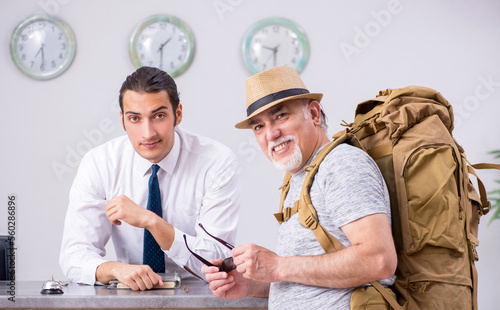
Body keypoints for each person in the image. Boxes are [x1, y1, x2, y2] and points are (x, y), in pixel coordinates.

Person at [202, 65, 397, 309]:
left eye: (280, 116)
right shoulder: (300, 176)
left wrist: (278, 266)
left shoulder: (342, 164)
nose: (271, 134)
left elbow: (379, 260)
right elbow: (309, 278)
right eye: (258, 126)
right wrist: (255, 284)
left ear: (314, 114)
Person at [60, 66, 241, 290]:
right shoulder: (99, 164)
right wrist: (115, 269)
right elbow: (74, 255)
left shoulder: (216, 162)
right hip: (127, 294)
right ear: (122, 120)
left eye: (159, 116)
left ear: (178, 114)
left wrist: (152, 222)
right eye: (135, 118)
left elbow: (217, 263)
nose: (148, 133)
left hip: (197, 297)